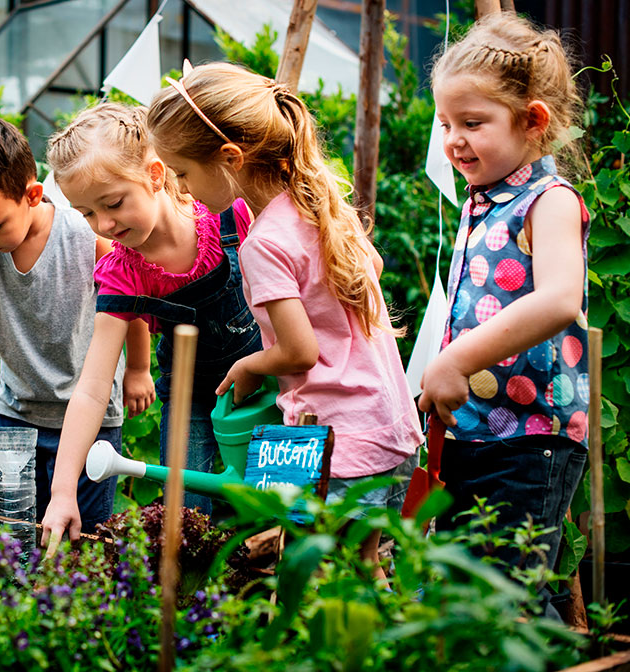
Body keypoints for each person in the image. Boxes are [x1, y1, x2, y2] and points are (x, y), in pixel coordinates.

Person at [147, 63, 422, 578]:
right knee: (368, 568)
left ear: (230, 158)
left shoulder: (264, 243)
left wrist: (252, 364)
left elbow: (298, 352)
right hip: (390, 425)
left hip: (337, 442)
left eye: (182, 172)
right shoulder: (317, 204)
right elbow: (373, 267)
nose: (182, 189)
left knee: (323, 577)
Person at [40, 102, 262, 543]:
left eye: (113, 203)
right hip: (191, 396)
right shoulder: (124, 273)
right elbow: (91, 388)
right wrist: (62, 491)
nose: (103, 224)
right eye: (86, 213)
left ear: (156, 174)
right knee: (184, 519)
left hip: (266, 385)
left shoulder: (230, 216)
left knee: (272, 506)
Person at [415, 13, 589, 575]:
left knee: (502, 597)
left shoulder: (549, 200)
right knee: (473, 593)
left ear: (532, 121)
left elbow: (561, 298)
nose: (453, 141)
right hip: (477, 431)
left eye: (471, 122)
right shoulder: (482, 200)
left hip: (528, 439)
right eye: (444, 124)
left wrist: (455, 360)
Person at [0, 117, 152, 533]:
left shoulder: (85, 237)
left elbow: (131, 302)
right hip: (16, 416)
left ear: (32, 195)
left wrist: (139, 369)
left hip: (92, 419)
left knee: (85, 538)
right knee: (12, 535)